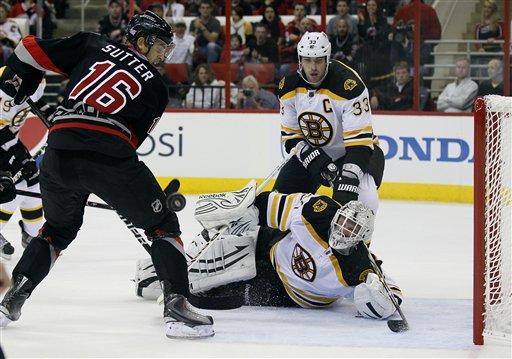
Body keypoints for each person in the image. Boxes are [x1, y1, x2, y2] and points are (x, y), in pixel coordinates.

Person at [0, 10, 214, 339]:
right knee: (163, 225)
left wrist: (18, 81)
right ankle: (177, 306)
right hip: (109, 157)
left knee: (56, 230)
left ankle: (14, 297)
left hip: (57, 151)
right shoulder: (157, 87)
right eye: (159, 46)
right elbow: (130, 142)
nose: (162, 55)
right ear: (141, 40)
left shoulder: (92, 43)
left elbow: (27, 48)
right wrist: (112, 186)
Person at [137, 186, 403, 317]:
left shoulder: (359, 267)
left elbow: (391, 295)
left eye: (351, 229)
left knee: (242, 289)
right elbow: (269, 204)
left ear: (361, 237)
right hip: (274, 247)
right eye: (343, 222)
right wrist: (248, 213)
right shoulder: (319, 211)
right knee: (230, 241)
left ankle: (187, 289)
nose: (342, 229)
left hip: (291, 293)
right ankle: (162, 270)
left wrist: (381, 298)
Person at [275, 32, 384, 215]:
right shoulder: (288, 87)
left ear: (327, 58)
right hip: (313, 152)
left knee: (365, 202)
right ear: (300, 60)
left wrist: (349, 177)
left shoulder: (349, 86)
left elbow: (359, 144)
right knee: (279, 204)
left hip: (353, 153)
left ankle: (359, 243)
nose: (313, 67)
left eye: (318, 60)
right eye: (308, 60)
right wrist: (316, 160)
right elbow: (291, 138)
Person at [0, 66, 48, 260]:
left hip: (10, 144)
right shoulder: (5, 80)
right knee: (11, 191)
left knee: (33, 185)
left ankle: (31, 232)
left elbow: (35, 106)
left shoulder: (39, 81)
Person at [0, 2, 22, 67]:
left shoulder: (12, 25)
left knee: (4, 49)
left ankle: (6, 71)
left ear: (6, 13)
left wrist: (5, 37)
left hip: (8, 47)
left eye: (2, 12)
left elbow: (16, 41)